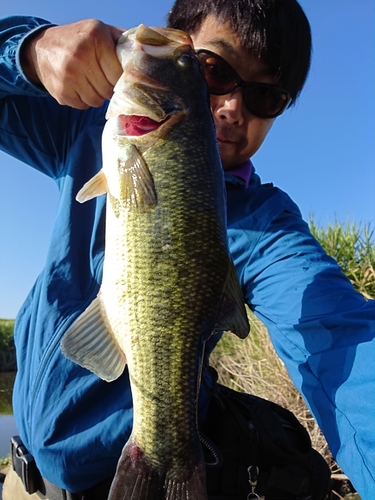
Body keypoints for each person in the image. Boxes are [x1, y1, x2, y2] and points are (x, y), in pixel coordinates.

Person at [1, 0, 374, 499]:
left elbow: (340, 338)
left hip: (133, 479)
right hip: (21, 482)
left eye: (266, 97)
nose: (233, 108)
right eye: (213, 70)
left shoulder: (267, 225)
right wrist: (28, 49)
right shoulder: (88, 131)